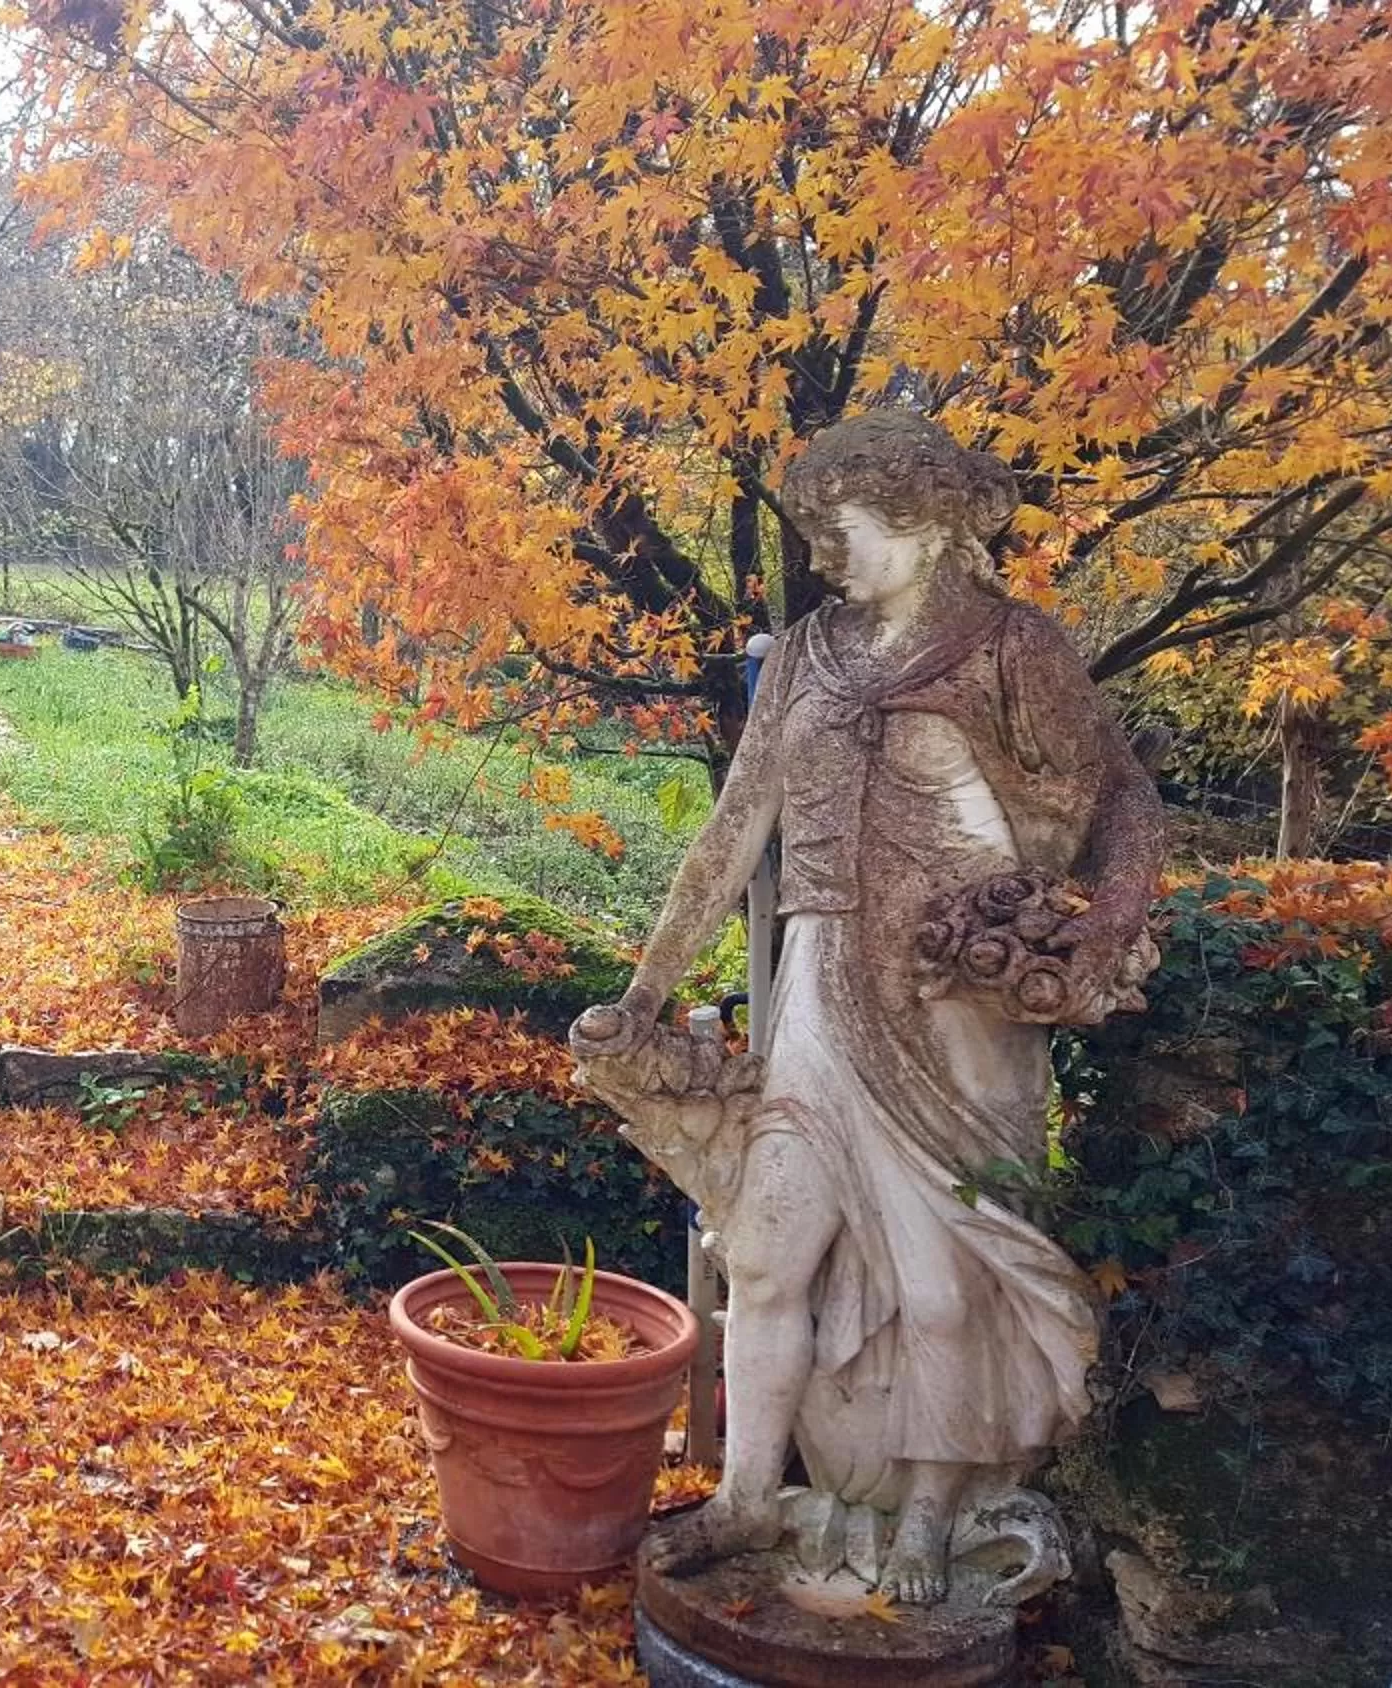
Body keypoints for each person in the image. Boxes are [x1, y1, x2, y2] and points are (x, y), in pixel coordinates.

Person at [571, 411, 1165, 1602]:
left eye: (839, 533)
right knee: (767, 1248)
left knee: (945, 1283)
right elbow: (730, 834)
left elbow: (1125, 803)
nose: (822, 559)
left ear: (926, 521)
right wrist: (644, 990)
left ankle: (931, 1514)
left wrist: (1098, 931)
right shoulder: (804, 652)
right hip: (820, 986)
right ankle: (748, 1495)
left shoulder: (1014, 647)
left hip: (958, 1011)